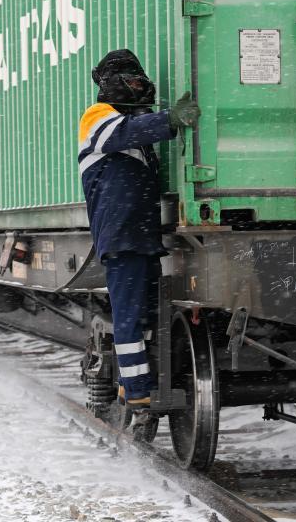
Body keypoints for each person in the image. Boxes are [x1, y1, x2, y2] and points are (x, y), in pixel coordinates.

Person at [78, 49, 200, 407]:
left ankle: (130, 383)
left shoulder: (134, 132)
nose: (139, 88)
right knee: (129, 317)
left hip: (140, 239)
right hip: (121, 239)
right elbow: (121, 134)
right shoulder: (97, 117)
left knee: (145, 316)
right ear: (112, 84)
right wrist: (170, 119)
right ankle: (137, 396)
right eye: (131, 81)